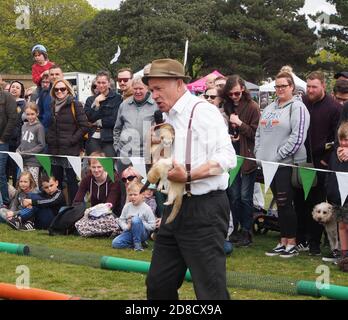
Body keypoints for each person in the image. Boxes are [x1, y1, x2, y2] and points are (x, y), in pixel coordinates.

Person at [142, 58, 236, 300]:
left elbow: (227, 157)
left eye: (159, 89)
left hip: (205, 209)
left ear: (179, 83)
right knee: (158, 285)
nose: (154, 95)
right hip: (174, 208)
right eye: (152, 90)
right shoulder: (168, 118)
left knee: (210, 291)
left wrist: (190, 176)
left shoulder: (203, 111)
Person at [255, 70, 310, 258]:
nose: (279, 89)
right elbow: (259, 132)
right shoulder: (270, 107)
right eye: (276, 86)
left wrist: (279, 156)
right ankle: (282, 240)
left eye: (283, 86)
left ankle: (292, 242)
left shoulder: (298, 107)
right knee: (279, 203)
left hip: (286, 164)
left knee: (286, 203)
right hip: (268, 164)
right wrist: (258, 153)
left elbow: (298, 137)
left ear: (292, 87)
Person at [294, 71, 341, 256]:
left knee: (318, 204)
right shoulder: (301, 103)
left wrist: (327, 159)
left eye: (314, 86)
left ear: (323, 86)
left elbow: (337, 138)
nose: (310, 90)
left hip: (322, 164)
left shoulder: (334, 107)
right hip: (301, 162)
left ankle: (315, 243)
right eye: (308, 86)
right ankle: (301, 239)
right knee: (300, 202)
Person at [221, 75, 260, 247]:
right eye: (230, 94)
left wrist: (240, 123)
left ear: (243, 89)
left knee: (245, 197)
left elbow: (255, 134)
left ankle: (247, 231)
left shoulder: (252, 107)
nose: (234, 97)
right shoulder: (227, 106)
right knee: (234, 196)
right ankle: (235, 229)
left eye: (236, 93)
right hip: (232, 156)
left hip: (247, 157)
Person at [46, 79, 89, 205]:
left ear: (68, 90)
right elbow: (51, 126)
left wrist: (72, 140)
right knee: (57, 181)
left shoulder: (75, 104)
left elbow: (85, 126)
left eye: (62, 89)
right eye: (56, 89)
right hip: (55, 149)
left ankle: (74, 209)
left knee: (71, 182)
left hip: (70, 149)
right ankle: (58, 208)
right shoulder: (52, 105)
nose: (59, 91)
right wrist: (49, 138)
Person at [113, 75, 158, 172]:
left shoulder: (156, 105)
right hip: (124, 155)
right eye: (135, 89)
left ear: (147, 88)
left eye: (140, 88)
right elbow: (117, 128)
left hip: (145, 156)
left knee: (143, 185)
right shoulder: (124, 105)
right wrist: (117, 147)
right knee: (124, 184)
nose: (138, 92)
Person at [84, 70, 122, 157]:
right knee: (94, 165)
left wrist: (99, 122)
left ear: (109, 83)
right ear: (96, 83)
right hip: (93, 138)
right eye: (99, 82)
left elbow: (114, 120)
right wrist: (96, 103)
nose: (101, 85)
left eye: (104, 82)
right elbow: (89, 118)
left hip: (109, 138)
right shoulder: (90, 100)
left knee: (108, 165)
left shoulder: (117, 98)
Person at [325, 121, 348, 263]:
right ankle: (343, 254)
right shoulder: (334, 154)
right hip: (338, 196)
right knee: (342, 225)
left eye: (347, 140)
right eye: (341, 139)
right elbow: (330, 172)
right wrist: (329, 189)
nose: (344, 143)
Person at [112, 181, 156, 251]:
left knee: (135, 219)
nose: (132, 197)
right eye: (130, 195)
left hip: (142, 233)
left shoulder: (147, 208)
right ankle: (138, 244)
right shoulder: (127, 206)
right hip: (130, 232)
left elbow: (153, 226)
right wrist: (126, 226)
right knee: (115, 243)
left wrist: (140, 222)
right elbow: (121, 220)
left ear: (142, 195)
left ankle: (138, 246)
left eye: (135, 195)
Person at [16, 103, 46, 186]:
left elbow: (41, 145)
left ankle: (34, 199)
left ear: (37, 113)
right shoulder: (24, 126)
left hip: (33, 162)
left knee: (33, 184)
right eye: (27, 114)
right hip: (23, 160)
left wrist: (28, 153)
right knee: (23, 184)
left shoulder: (39, 127)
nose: (30, 117)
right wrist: (18, 149)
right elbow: (23, 142)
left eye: (32, 114)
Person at [7, 80, 27, 186]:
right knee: (4, 168)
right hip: (4, 140)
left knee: (15, 168)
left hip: (17, 141)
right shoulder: (4, 102)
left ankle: (16, 191)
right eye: (12, 86)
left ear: (21, 91)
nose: (14, 88)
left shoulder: (23, 105)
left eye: (17, 87)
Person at [0, 86, 17, 208]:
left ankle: (5, 202)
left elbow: (13, 118)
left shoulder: (7, 97)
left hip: (2, 142)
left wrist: (3, 138)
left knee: (0, 173)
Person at [36, 65, 64, 131]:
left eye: (57, 74)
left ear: (62, 75)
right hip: (47, 133)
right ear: (49, 76)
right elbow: (39, 113)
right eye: (52, 74)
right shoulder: (44, 93)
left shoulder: (69, 92)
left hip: (64, 134)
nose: (54, 76)